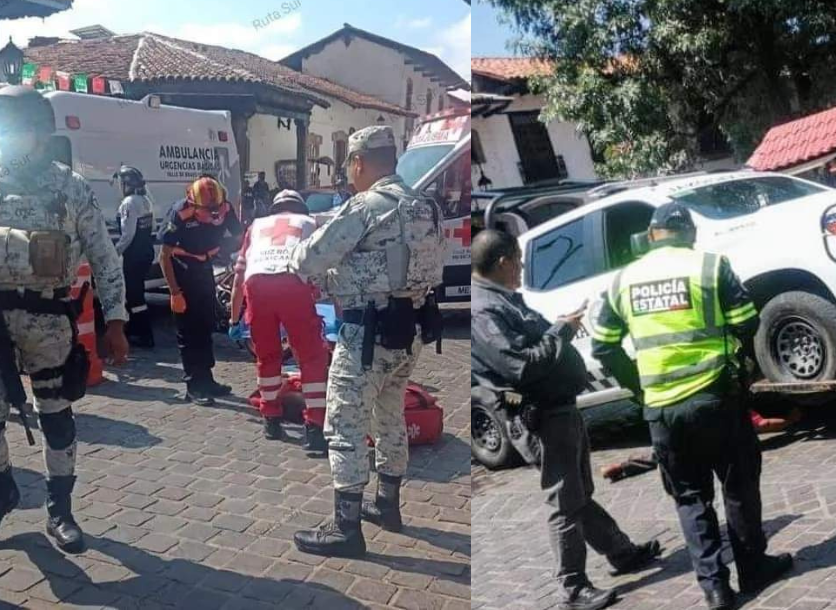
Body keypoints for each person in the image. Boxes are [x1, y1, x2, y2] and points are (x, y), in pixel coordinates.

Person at [591, 203, 792, 610]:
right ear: (690, 234)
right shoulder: (710, 267)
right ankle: (753, 568)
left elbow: (602, 345)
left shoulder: (622, 281)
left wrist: (640, 388)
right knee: (737, 487)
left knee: (689, 499)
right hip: (716, 399)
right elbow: (746, 321)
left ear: (652, 236)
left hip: (662, 410)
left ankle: (715, 589)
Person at [472, 229, 660, 610]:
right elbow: (520, 366)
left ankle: (621, 552)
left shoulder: (502, 301)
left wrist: (561, 326)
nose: (523, 267)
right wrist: (562, 329)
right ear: (504, 261)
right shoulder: (484, 310)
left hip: (559, 409)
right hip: (541, 416)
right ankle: (572, 589)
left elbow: (531, 348)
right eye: (520, 261)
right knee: (564, 502)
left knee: (577, 495)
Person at [289, 126, 446, 558]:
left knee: (344, 425)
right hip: (410, 330)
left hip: (367, 334)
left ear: (359, 161)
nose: (348, 174)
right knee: (390, 414)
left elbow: (308, 258)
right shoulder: (425, 206)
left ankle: (346, 528)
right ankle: (388, 506)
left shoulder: (367, 207)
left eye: (349, 166)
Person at [0, 85, 129, 553]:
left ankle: (60, 510)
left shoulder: (69, 187)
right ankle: (4, 487)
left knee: (54, 414)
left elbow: (104, 256)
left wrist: (115, 322)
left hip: (48, 320)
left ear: (38, 131)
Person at [229, 189, 329, 455]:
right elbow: (326, 272)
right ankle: (315, 428)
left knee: (267, 355)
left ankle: (271, 420)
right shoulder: (311, 224)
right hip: (293, 283)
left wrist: (233, 318)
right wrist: (340, 317)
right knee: (311, 357)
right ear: (300, 209)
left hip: (257, 284)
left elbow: (238, 280)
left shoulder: (255, 226)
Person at [158, 176, 243, 405]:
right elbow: (164, 256)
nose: (214, 215)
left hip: (205, 268)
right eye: (208, 210)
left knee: (206, 325)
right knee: (189, 331)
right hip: (182, 271)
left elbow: (239, 235)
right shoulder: (179, 214)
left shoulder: (225, 207)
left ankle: (208, 380)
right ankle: (194, 385)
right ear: (194, 205)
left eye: (216, 210)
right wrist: (175, 292)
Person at [112, 166, 156, 348]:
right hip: (146, 251)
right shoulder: (145, 200)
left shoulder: (128, 203)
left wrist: (114, 253)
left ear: (126, 184)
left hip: (134, 255)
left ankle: (143, 334)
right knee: (136, 293)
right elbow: (149, 226)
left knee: (134, 294)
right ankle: (136, 330)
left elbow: (128, 234)